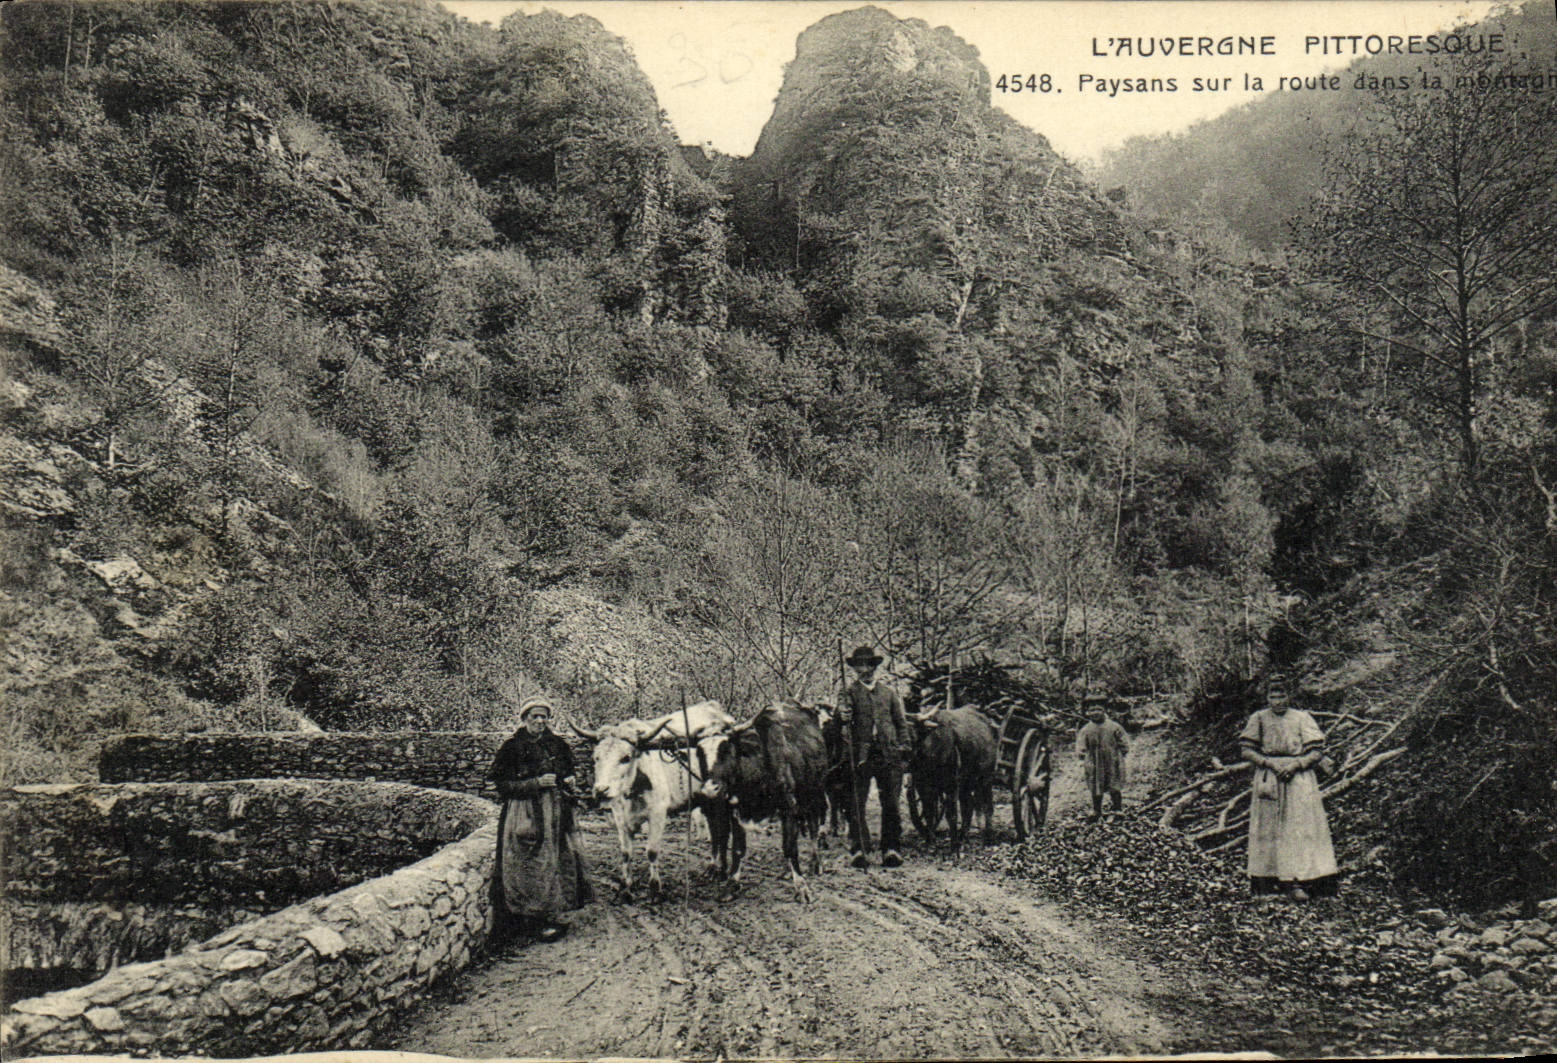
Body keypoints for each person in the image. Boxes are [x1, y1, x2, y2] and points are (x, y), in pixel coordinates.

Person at [489, 695, 593, 941]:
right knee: (528, 861)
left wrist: (569, 780)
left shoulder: (557, 745)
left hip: (556, 812)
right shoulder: (512, 747)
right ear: (525, 718)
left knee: (557, 859)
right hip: (524, 813)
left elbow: (567, 772)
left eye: (544, 717)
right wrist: (535, 783)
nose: (539, 721)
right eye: (534, 716)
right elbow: (502, 786)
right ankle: (527, 918)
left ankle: (553, 914)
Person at [1239, 681, 1338, 902]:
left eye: (1281, 696)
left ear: (1289, 696)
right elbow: (1246, 750)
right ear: (1267, 698)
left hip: (1298, 778)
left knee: (1301, 826)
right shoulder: (1259, 718)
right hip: (1270, 777)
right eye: (1273, 696)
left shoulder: (1302, 718)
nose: (1278, 701)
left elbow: (1316, 751)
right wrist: (1269, 763)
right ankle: (1269, 882)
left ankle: (1307, 880)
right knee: (1269, 827)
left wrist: (1296, 765)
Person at [838, 645, 912, 869]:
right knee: (856, 802)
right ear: (855, 669)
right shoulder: (848, 693)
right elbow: (840, 718)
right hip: (860, 754)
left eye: (869, 665)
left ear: (874, 667)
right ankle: (859, 849)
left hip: (888, 753)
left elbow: (900, 723)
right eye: (860, 666)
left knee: (890, 802)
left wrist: (904, 746)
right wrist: (842, 715)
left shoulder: (888, 693)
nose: (865, 670)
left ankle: (891, 849)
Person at [1075, 693, 1129, 820]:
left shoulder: (1113, 726)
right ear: (1087, 712)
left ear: (1105, 710)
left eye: (1098, 709)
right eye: (1092, 710)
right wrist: (1082, 755)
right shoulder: (1086, 729)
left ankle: (1117, 809)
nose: (1095, 713)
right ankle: (1096, 810)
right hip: (1094, 761)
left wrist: (1123, 751)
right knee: (1096, 786)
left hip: (1112, 759)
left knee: (1114, 784)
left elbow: (1123, 741)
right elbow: (1081, 744)